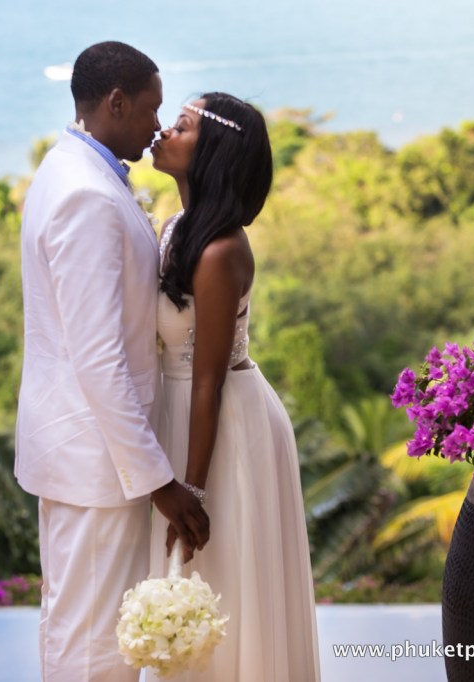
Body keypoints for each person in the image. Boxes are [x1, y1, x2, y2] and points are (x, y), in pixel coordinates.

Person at [14, 41, 210, 682]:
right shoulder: (86, 197)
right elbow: (98, 356)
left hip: (89, 454)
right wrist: (160, 482)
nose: (157, 125)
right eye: (151, 109)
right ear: (115, 102)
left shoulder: (71, 169)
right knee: (93, 644)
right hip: (93, 460)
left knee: (82, 626)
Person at [146, 93, 321, 681]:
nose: (165, 129)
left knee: (222, 583)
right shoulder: (177, 227)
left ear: (213, 153)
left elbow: (208, 381)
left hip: (223, 424)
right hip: (185, 412)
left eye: (185, 125)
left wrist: (191, 487)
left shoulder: (220, 250)